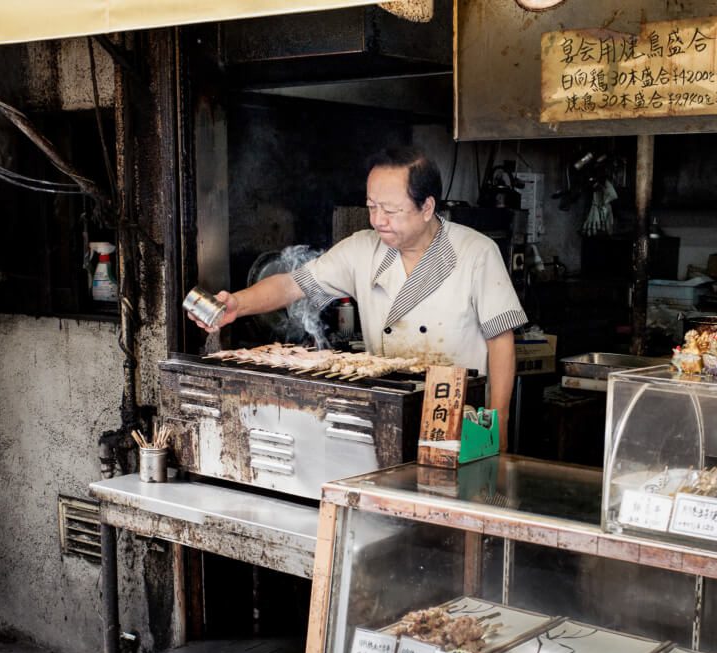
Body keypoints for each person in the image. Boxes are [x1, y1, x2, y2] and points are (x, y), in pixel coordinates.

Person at [191, 147, 528, 450]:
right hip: (387, 414)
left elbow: (501, 341)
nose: (377, 220)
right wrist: (237, 304)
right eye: (371, 206)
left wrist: (495, 426)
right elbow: (292, 285)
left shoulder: (476, 252)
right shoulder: (362, 249)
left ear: (427, 207)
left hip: (458, 417)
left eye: (391, 211)